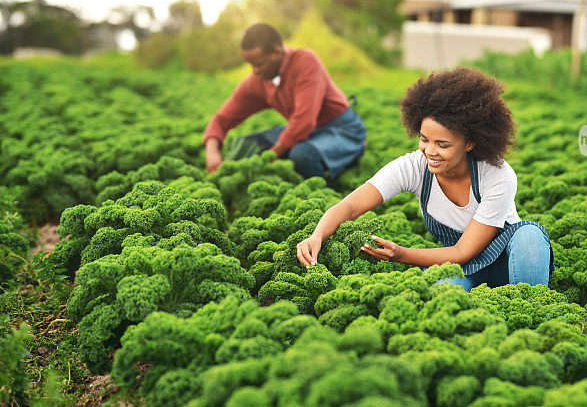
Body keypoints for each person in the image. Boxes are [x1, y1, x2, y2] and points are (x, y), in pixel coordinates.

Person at [296, 68, 554, 291]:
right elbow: (351, 206)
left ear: (470, 142)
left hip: (507, 261)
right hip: (459, 266)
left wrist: (401, 255)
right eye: (424, 139)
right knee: (441, 291)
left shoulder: (497, 174)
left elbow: (463, 250)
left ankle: (531, 310)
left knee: (529, 235)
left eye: (442, 144)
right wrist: (317, 235)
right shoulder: (413, 167)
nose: (430, 151)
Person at [203, 23, 367, 181]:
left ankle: (323, 191)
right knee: (247, 146)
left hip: (341, 130)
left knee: (301, 155)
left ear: (276, 52)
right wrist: (212, 152)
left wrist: (270, 157)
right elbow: (222, 118)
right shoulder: (258, 81)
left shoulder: (305, 62)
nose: (255, 71)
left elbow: (304, 121)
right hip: (307, 133)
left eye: (259, 64)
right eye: (251, 65)